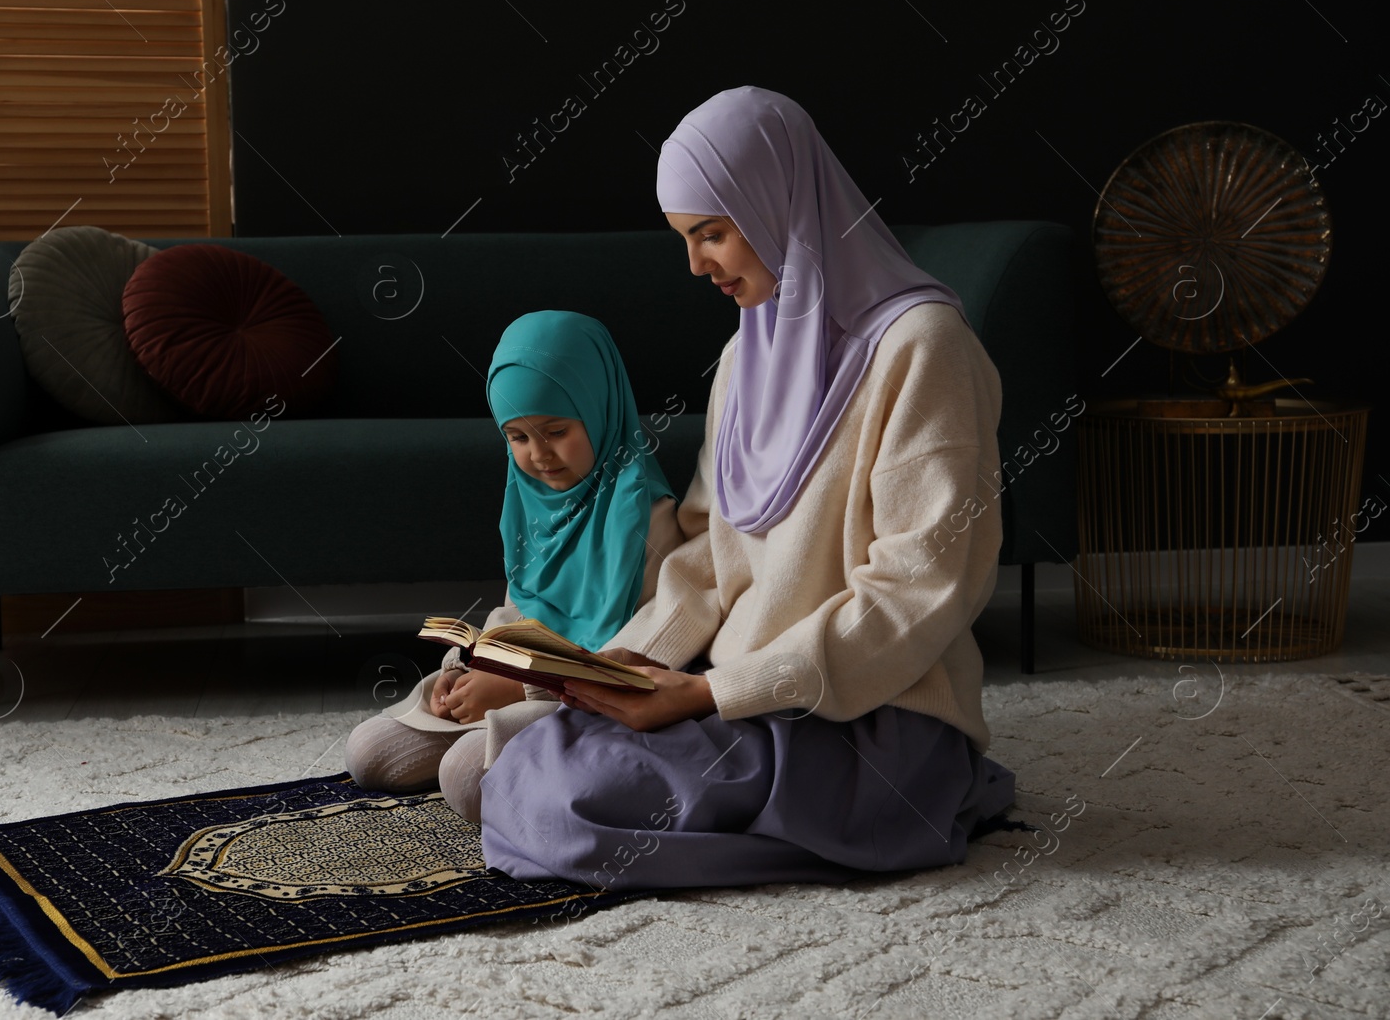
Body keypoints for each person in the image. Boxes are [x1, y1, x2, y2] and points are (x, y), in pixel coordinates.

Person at [480, 87, 1017, 889]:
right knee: (530, 763)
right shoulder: (746, 356)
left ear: (782, 205)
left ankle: (903, 809)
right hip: (738, 694)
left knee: (565, 797)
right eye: (686, 239)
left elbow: (918, 590)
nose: (697, 265)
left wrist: (710, 692)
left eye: (712, 233)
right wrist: (636, 657)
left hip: (870, 717)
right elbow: (707, 550)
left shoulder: (923, 348)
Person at [344, 310, 682, 821]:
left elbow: (641, 660)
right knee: (368, 752)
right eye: (517, 437)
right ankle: (488, 726)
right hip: (515, 681)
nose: (538, 455)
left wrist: (516, 687)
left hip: (586, 700)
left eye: (556, 431)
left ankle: (522, 754)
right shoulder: (531, 503)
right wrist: (465, 671)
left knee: (464, 778)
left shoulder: (646, 517)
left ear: (600, 408)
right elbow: (518, 618)